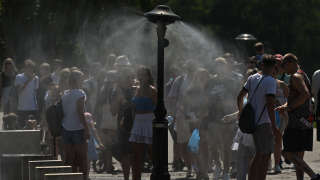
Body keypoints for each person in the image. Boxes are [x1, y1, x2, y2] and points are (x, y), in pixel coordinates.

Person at [276, 53, 320, 180]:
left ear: (290, 63)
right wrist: (285, 105)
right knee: (298, 157)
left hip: (296, 121)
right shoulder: (303, 74)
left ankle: (313, 176)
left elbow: (305, 95)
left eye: (283, 65)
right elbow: (298, 97)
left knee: (287, 153)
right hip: (305, 120)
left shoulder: (295, 76)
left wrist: (289, 108)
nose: (282, 69)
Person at [237, 55, 279, 180]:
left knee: (259, 154)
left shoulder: (252, 78)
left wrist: (241, 113)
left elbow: (240, 96)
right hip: (264, 122)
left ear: (261, 65)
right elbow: (270, 104)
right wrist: (274, 125)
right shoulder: (271, 81)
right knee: (263, 155)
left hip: (252, 121)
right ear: (273, 67)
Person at [61, 69, 90, 180]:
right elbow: (80, 112)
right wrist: (86, 128)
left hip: (66, 128)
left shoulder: (65, 94)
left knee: (70, 158)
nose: (83, 81)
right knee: (82, 157)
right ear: (77, 80)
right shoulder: (80, 93)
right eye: (81, 78)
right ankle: (83, 178)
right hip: (78, 128)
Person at [183, 68, 211, 180]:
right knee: (196, 147)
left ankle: (204, 170)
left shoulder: (209, 90)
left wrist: (202, 115)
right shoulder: (190, 91)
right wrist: (193, 116)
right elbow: (186, 107)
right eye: (200, 77)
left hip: (206, 121)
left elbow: (209, 107)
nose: (203, 79)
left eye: (205, 77)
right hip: (194, 122)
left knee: (205, 147)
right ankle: (199, 171)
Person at [129, 66, 156, 180]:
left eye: (144, 75)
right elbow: (133, 109)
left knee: (153, 154)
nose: (142, 77)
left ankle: (156, 176)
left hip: (149, 121)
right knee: (136, 157)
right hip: (138, 122)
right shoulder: (136, 89)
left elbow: (158, 108)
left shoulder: (152, 90)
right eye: (140, 74)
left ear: (148, 76)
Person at [111, 68, 135, 180]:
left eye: (131, 77)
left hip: (137, 124)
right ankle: (126, 177)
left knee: (136, 153)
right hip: (124, 125)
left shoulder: (136, 90)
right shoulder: (117, 91)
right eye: (127, 77)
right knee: (125, 152)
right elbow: (113, 111)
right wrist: (118, 99)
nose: (130, 80)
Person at [14, 59, 39, 129]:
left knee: (32, 130)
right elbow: (18, 91)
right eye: (28, 68)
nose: (30, 70)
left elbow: (35, 93)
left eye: (32, 68)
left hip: (32, 108)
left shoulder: (36, 78)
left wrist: (36, 106)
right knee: (21, 129)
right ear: (25, 68)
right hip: (22, 108)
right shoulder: (19, 77)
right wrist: (28, 80)